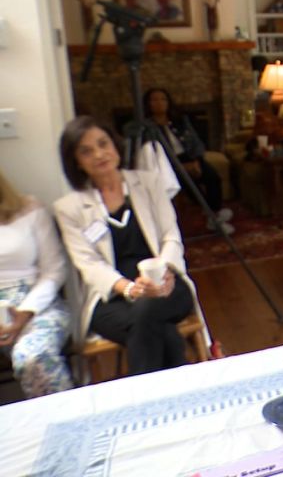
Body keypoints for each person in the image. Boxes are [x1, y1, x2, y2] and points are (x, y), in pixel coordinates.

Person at [54, 116, 208, 375]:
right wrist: (130, 289)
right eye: (86, 151)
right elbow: (89, 265)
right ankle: (184, 387)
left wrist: (163, 274)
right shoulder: (69, 209)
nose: (99, 154)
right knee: (160, 328)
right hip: (112, 296)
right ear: (76, 162)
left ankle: (140, 401)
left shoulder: (149, 182)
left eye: (103, 144)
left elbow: (171, 234)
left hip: (166, 285)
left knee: (148, 311)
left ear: (115, 145)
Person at [0, 170, 74, 397]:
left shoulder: (30, 208)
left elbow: (55, 269)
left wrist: (26, 311)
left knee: (33, 356)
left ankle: (67, 423)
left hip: (38, 304)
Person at [143, 88, 233, 234]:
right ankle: (214, 217)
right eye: (154, 100)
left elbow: (196, 142)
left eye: (163, 99)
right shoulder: (147, 128)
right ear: (148, 104)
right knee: (190, 183)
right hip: (167, 165)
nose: (159, 103)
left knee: (212, 177)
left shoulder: (180, 120)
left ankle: (214, 213)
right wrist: (181, 167)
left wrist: (197, 161)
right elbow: (152, 155)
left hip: (189, 157)